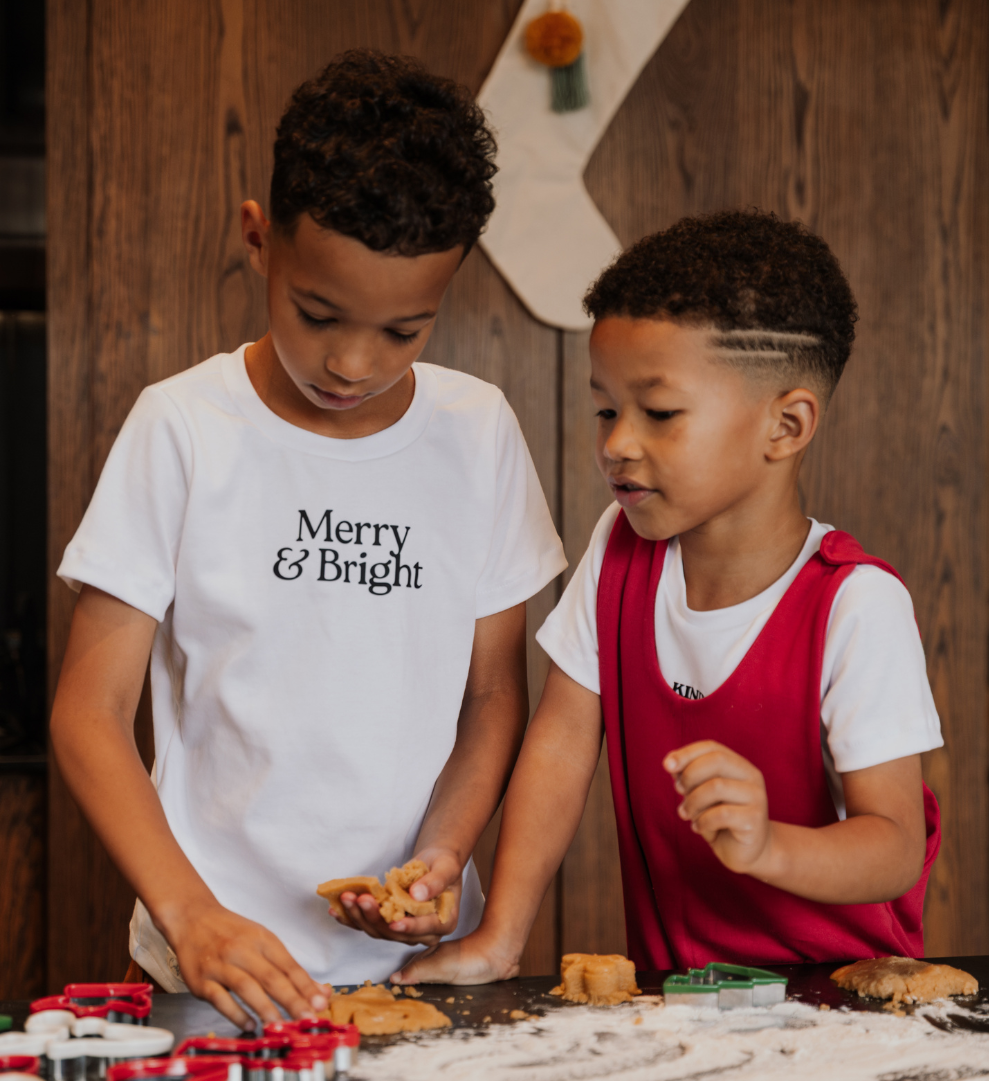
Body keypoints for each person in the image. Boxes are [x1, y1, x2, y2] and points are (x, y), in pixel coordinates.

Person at [49, 49, 565, 1028]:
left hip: (423, 967)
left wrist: (446, 855)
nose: (352, 362)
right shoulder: (184, 425)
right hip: (211, 967)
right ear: (259, 239)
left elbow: (494, 694)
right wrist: (191, 915)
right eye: (319, 313)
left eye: (404, 331)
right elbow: (88, 710)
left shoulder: (480, 429)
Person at [394, 210, 943, 985]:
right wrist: (501, 934)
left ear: (785, 425)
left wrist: (767, 845)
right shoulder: (619, 551)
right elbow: (558, 750)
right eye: (607, 408)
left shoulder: (857, 605)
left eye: (659, 412)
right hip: (677, 998)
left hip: (838, 1005)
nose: (617, 440)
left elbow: (892, 845)